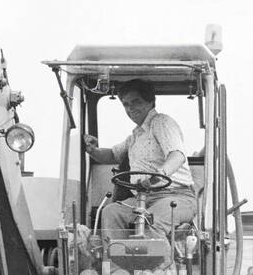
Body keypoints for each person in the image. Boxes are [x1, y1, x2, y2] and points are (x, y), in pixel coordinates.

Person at [84, 80, 197, 235]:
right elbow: (112, 155)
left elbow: (177, 155)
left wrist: (160, 174)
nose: (130, 108)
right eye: (125, 104)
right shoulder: (135, 136)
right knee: (111, 212)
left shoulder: (161, 122)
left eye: (136, 101)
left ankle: (160, 260)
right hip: (143, 198)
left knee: (151, 222)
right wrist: (92, 150)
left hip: (177, 197)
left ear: (150, 101)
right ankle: (114, 258)